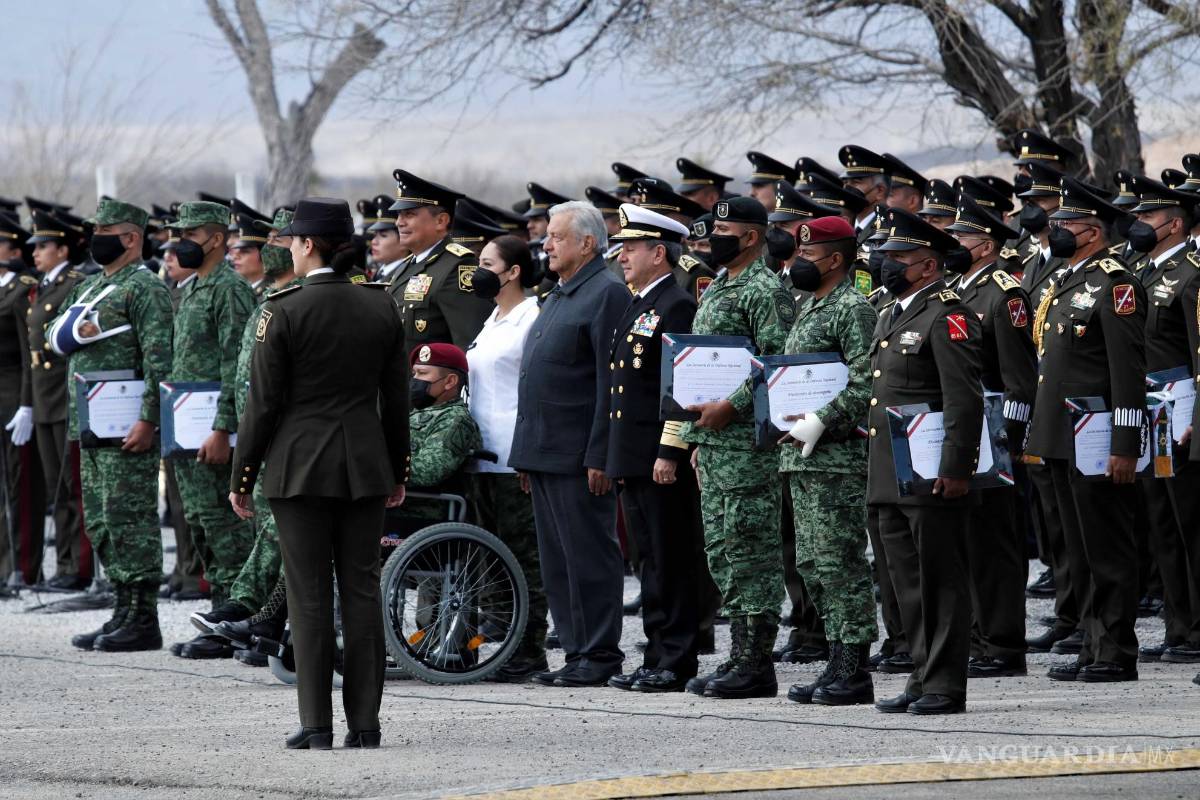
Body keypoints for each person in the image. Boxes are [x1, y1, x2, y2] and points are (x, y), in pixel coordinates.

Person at [229, 197, 409, 751]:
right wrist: (397, 467)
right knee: (360, 592)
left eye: (291, 242)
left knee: (307, 597)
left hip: (298, 466)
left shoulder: (282, 309)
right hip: (364, 465)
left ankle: (316, 725)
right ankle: (366, 725)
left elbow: (262, 407)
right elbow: (396, 400)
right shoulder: (381, 305)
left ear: (307, 244)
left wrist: (242, 477)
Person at [1025, 177, 1146, 683]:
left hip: (1096, 439)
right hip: (1060, 435)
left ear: (1091, 231)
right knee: (1078, 550)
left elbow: (1126, 372)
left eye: (1064, 224)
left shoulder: (1115, 285)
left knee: (1106, 548)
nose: (1054, 232)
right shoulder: (1067, 279)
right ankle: (1093, 645)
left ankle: (1116, 650)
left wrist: (1125, 445)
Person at [508, 201, 631, 688]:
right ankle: (577, 649)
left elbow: (610, 383)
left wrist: (601, 454)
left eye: (557, 237)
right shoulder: (559, 294)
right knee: (557, 559)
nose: (546, 243)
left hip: (579, 453)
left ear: (587, 242)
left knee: (588, 555)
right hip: (544, 450)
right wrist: (525, 452)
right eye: (548, 236)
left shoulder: (605, 294)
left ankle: (599, 652)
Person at [867, 208, 984, 715]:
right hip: (891, 472)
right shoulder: (892, 312)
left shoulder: (948, 314)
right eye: (886, 255)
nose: (886, 264)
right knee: (905, 582)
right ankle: (920, 673)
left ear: (929, 265)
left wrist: (956, 467)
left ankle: (944, 684)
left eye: (899, 257)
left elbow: (964, 399)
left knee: (939, 579)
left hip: (931, 470)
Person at [682, 196, 796, 699]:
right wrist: (699, 438)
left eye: (725, 230)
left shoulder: (764, 289)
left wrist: (731, 407)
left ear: (751, 236)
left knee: (753, 551)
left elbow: (775, 364)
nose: (714, 238)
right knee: (723, 552)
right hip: (715, 443)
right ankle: (739, 655)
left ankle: (756, 662)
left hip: (749, 445)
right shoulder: (721, 285)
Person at [59, 199, 174, 652]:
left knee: (132, 521)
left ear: (130, 238)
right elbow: (57, 331)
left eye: (105, 230)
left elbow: (159, 357)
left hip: (127, 427)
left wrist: (148, 419)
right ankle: (122, 610)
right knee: (103, 522)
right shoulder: (91, 287)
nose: (95, 237)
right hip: (91, 425)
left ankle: (144, 619)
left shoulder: (143, 287)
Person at [776, 216, 879, 706]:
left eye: (808, 257)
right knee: (812, 563)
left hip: (837, 457)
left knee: (840, 562)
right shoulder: (807, 305)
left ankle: (853, 669)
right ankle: (836, 660)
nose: (798, 264)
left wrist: (821, 420)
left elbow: (866, 381)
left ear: (836, 260)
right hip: (801, 458)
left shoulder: (851, 308)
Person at [604, 203, 706, 693]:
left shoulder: (676, 305)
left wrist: (670, 450)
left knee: (671, 558)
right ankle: (657, 652)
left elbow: (682, 388)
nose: (622, 256)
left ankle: (677, 657)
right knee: (648, 561)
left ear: (658, 252)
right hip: (634, 455)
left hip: (658, 456)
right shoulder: (639, 302)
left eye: (631, 247)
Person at [945, 196, 1037, 679]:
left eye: (961, 237)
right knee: (969, 543)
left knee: (996, 544)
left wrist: (1013, 443)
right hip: (967, 433)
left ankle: (1002, 644)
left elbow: (1021, 379)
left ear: (985, 244)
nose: (953, 244)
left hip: (997, 434)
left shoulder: (1004, 295)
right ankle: (978, 636)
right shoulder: (957, 289)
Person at [206, 207, 303, 665]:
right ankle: (258, 624)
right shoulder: (265, 296)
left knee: (280, 531)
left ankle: (251, 612)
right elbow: (241, 375)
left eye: (278, 241)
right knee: (270, 530)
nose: (268, 250)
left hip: (294, 436)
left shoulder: (315, 297)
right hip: (261, 433)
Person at [166, 201, 257, 659]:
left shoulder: (230, 290)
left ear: (216, 239)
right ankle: (216, 616)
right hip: (187, 429)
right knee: (202, 526)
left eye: (190, 233)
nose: (180, 240)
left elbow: (233, 365)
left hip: (214, 431)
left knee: (227, 529)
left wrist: (223, 429)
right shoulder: (194, 287)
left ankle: (235, 624)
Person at [464, 234, 550, 682]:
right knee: (493, 559)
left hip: (513, 458)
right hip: (483, 457)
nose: (478, 270)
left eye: (486, 263)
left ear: (513, 271)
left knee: (523, 558)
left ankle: (531, 649)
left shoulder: (532, 317)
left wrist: (526, 456)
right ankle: (502, 645)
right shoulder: (493, 318)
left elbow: (535, 394)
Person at [1125, 176, 1200, 666]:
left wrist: (1192, 416)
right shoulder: (1141, 271)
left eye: (1148, 217)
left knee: (1189, 522)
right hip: (1151, 411)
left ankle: (1196, 626)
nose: (1138, 225)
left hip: (1179, 411)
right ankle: (1179, 627)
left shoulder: (1191, 274)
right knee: (1162, 523)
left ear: (1173, 224)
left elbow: (1196, 352)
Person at [24, 210, 90, 590]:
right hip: (44, 396)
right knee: (56, 487)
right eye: (35, 246)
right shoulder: (45, 285)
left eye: (44, 246)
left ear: (63, 249)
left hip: (65, 394)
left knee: (72, 487)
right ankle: (64, 565)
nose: (36, 253)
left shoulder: (74, 283)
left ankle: (78, 568)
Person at [386, 170, 492, 349]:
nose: (399, 222)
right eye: (398, 215)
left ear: (441, 221)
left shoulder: (458, 266)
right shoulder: (407, 265)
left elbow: (469, 344)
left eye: (409, 214)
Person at [0, 215, 44, 590]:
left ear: (14, 251)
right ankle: (3, 567)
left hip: (14, 397)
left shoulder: (22, 290)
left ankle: (24, 568)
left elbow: (31, 353)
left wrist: (27, 404)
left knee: (20, 486)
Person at [405, 343, 481, 522]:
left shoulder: (457, 420)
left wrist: (380, 468)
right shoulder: (417, 413)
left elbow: (428, 472)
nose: (415, 380)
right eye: (414, 374)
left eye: (422, 374)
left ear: (450, 382)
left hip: (423, 512)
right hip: (401, 503)